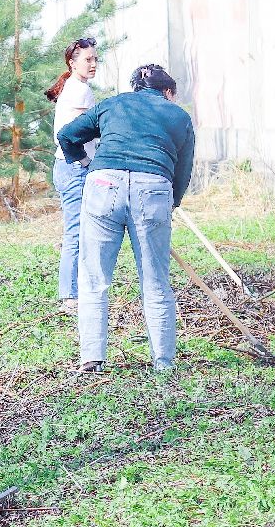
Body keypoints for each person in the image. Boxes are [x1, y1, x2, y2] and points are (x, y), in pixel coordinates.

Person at [56, 63, 195, 374]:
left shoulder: (113, 104)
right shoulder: (179, 116)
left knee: (93, 279)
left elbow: (67, 136)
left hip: (104, 185)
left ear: (136, 88)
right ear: (168, 92)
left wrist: (86, 163)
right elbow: (183, 171)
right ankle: (163, 363)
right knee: (156, 281)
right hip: (153, 190)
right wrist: (170, 204)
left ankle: (92, 360)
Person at [47, 37, 99, 315]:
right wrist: (87, 161)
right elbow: (71, 136)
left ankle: (77, 290)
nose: (92, 64)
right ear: (72, 62)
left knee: (79, 231)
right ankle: (69, 296)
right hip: (73, 169)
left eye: (95, 59)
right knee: (76, 232)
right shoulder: (79, 91)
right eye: (87, 59)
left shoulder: (75, 86)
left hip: (67, 168)